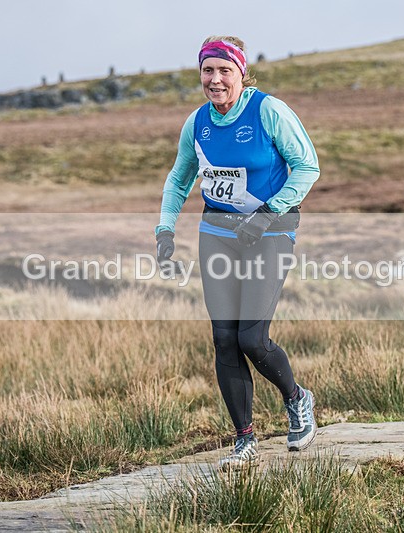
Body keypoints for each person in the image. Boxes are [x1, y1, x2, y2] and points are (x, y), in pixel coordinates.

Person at [155, 36, 321, 470]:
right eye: (207, 71)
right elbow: (178, 180)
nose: (215, 80)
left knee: (252, 338)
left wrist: (270, 212)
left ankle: (298, 399)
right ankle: (244, 439)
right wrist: (165, 230)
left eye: (224, 70)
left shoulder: (268, 110)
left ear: (241, 74)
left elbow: (308, 166)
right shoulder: (197, 123)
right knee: (224, 338)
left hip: (270, 229)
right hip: (218, 231)